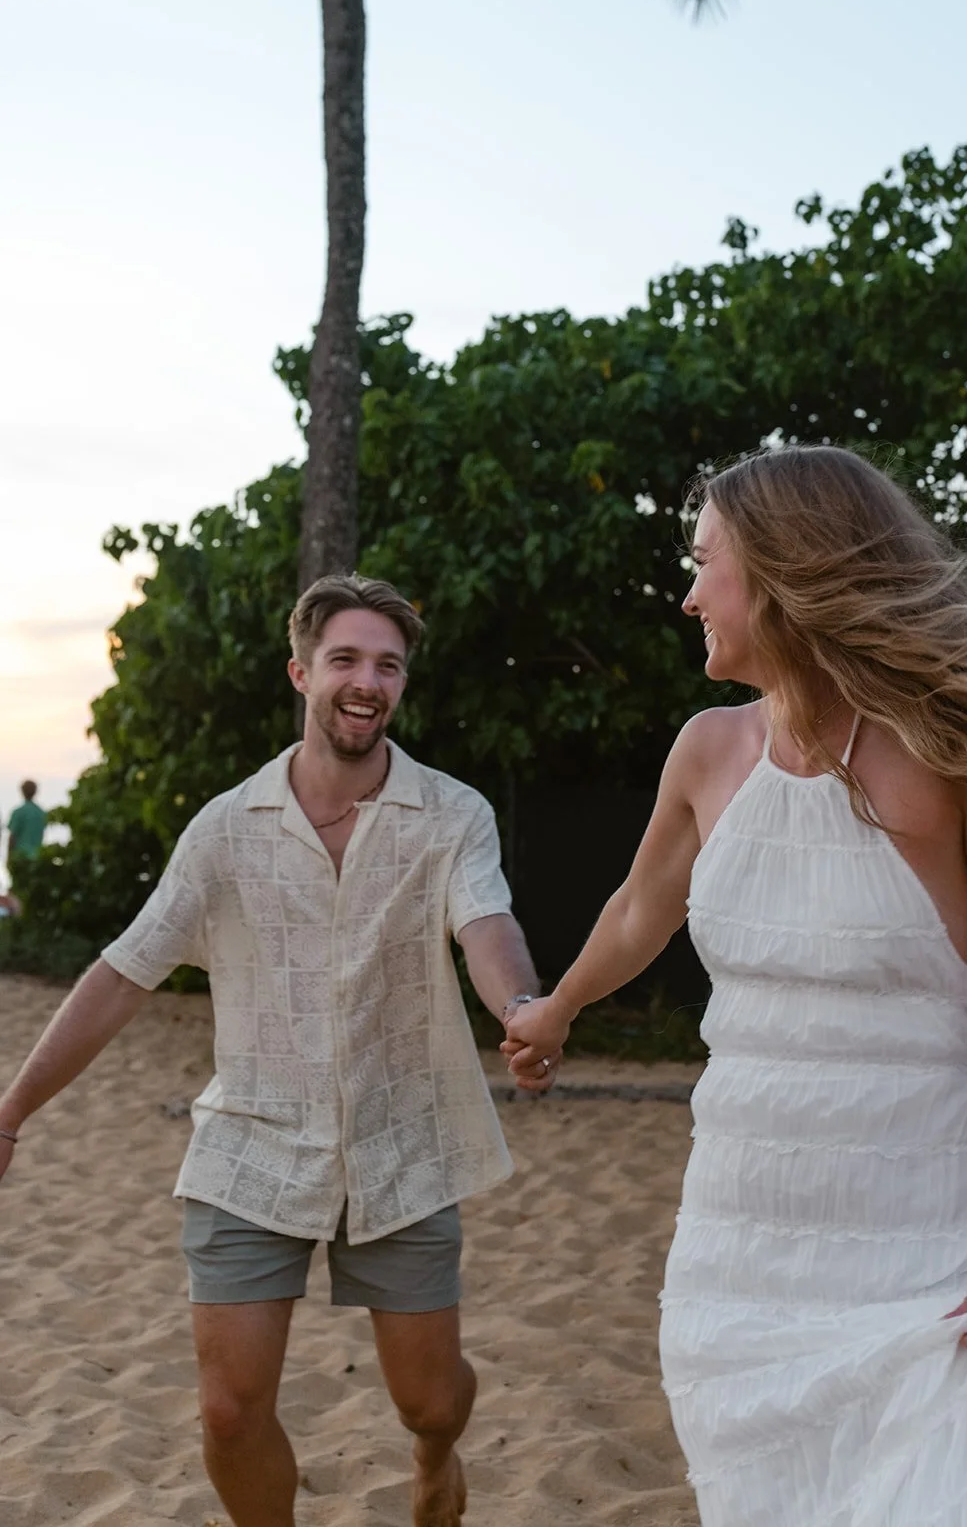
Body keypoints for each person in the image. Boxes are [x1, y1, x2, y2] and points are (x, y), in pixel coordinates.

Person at [504, 445, 967, 1526]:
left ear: (784, 574)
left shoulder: (961, 750)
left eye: (708, 563)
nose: (689, 591)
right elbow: (636, 909)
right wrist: (555, 1009)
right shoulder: (707, 753)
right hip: (742, 1262)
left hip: (937, 1254)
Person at [0, 574, 560, 1527]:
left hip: (402, 1142)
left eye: (387, 664)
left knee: (427, 1402)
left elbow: (486, 922)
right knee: (227, 1410)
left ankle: (435, 1459)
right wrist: (11, 1109)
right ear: (302, 672)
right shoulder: (224, 829)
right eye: (345, 658)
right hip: (251, 1146)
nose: (366, 680)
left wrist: (521, 1005)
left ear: (402, 686)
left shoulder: (453, 814)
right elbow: (124, 971)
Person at [5, 779, 46, 881]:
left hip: (20, 858)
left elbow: (12, 837)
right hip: (37, 857)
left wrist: (9, 858)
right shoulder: (41, 813)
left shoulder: (18, 812)